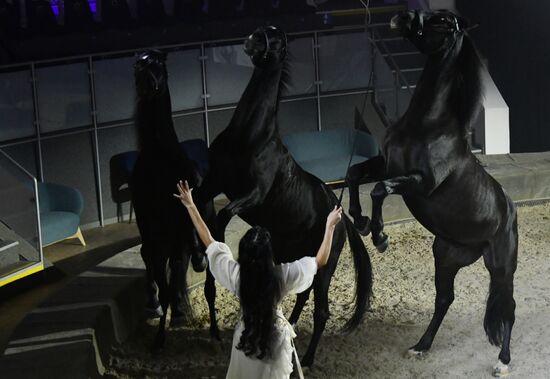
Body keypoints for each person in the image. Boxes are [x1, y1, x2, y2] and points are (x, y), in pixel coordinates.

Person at [174, 180, 342, 379]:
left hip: (246, 339)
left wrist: (191, 206)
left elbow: (208, 240)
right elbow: (320, 260)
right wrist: (330, 226)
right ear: (269, 254)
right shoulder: (282, 275)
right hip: (275, 340)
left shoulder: (237, 276)